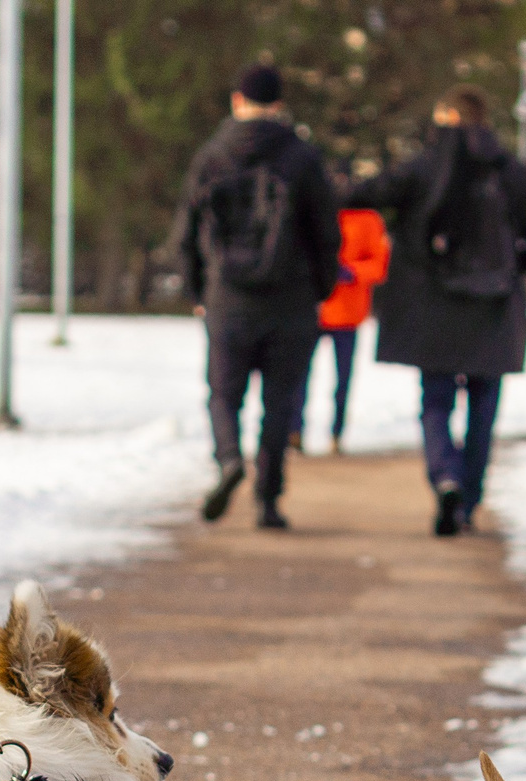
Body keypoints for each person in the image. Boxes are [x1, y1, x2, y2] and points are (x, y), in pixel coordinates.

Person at [349, 85, 526, 537]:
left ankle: (445, 477)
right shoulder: (512, 172)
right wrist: (514, 268)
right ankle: (469, 498)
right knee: (484, 408)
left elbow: (365, 194)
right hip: (494, 307)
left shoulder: (423, 168)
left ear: (445, 117)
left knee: (435, 401)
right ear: (483, 119)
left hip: (435, 308)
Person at [174, 65, 341, 530]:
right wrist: (321, 288)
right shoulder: (303, 157)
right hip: (290, 301)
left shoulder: (211, 157)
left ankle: (229, 461)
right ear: (280, 105)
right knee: (281, 401)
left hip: (227, 298)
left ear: (236, 101)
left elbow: (185, 232)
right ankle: (268, 500)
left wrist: (197, 289)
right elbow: (326, 233)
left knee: (224, 394)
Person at [315, 205, 392, 453]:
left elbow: (380, 263)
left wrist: (353, 272)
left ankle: (337, 434)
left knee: (343, 379)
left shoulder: (368, 219)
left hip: (348, 312)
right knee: (296, 377)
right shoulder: (316, 211)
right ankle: (293, 432)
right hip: (314, 309)